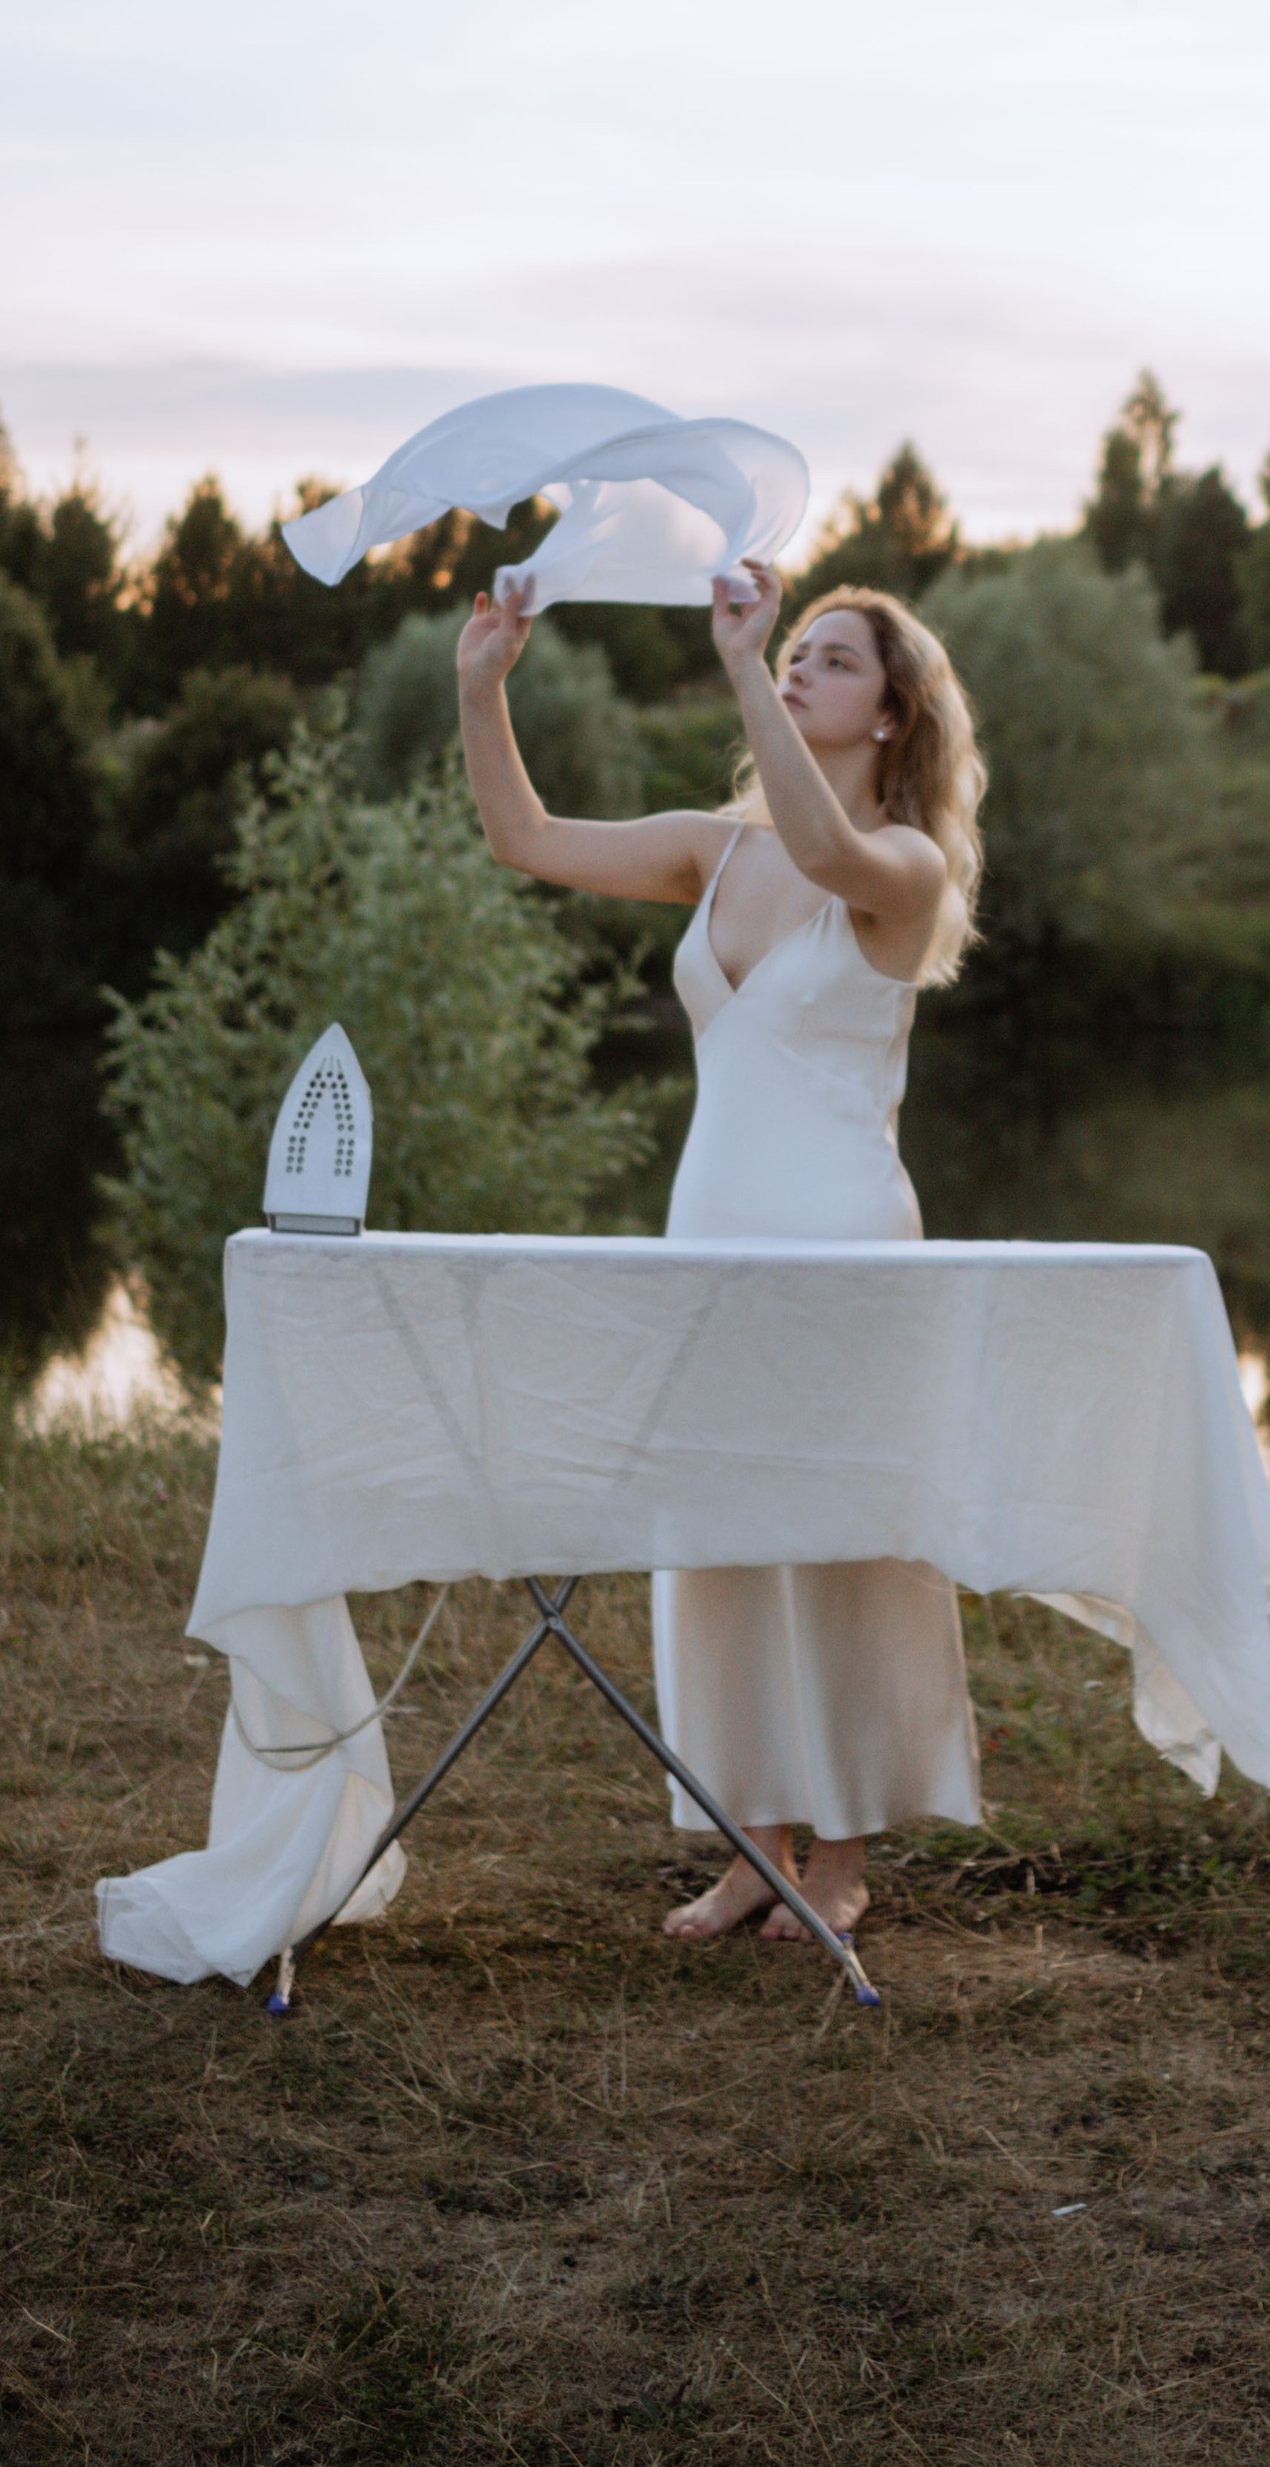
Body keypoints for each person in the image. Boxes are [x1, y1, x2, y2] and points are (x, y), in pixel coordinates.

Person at [455, 557, 987, 1948]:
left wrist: (743, 662)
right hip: (712, 1236)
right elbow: (525, 836)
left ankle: (843, 1857)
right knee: (719, 1541)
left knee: (843, 1545)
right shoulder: (713, 849)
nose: (804, 664)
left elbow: (825, 854)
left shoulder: (905, 870)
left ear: (887, 718)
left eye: (833, 658)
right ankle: (750, 1845)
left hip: (845, 1254)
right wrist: (481, 687)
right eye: (794, 649)